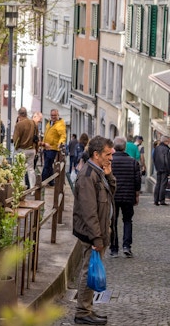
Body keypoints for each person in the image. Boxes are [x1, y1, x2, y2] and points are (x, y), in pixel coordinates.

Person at [72, 135, 114, 325]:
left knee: (90, 270)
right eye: (107, 154)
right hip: (91, 234)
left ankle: (87, 308)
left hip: (98, 232)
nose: (110, 157)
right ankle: (82, 312)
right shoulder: (88, 176)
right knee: (88, 271)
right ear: (96, 154)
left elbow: (112, 192)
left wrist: (109, 174)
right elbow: (89, 212)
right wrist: (97, 238)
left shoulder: (98, 172)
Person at [109, 137, 141, 259]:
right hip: (128, 195)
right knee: (127, 220)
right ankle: (127, 246)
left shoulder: (110, 161)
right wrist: (136, 195)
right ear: (125, 147)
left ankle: (114, 248)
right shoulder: (133, 161)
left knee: (113, 222)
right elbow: (137, 180)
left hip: (113, 196)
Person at [12, 108, 38, 189]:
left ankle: (22, 187)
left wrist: (16, 148)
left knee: (20, 169)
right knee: (30, 169)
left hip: (21, 149)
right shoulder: (33, 123)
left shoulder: (19, 125)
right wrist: (36, 148)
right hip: (32, 149)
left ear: (19, 115)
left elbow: (16, 139)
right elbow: (36, 137)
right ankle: (33, 188)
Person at [40, 109, 66, 187]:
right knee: (49, 165)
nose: (53, 117)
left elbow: (63, 135)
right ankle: (51, 182)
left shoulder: (60, 125)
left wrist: (60, 143)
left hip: (52, 148)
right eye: (52, 115)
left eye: (55, 115)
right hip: (46, 147)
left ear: (58, 115)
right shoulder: (50, 123)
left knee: (47, 165)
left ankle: (42, 181)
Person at [152, 135, 170, 206]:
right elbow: (167, 160)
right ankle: (161, 200)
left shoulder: (157, 148)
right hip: (165, 168)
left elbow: (154, 158)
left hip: (158, 168)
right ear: (166, 141)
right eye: (168, 141)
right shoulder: (166, 149)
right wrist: (169, 171)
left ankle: (156, 200)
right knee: (163, 184)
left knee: (158, 184)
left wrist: (156, 166)